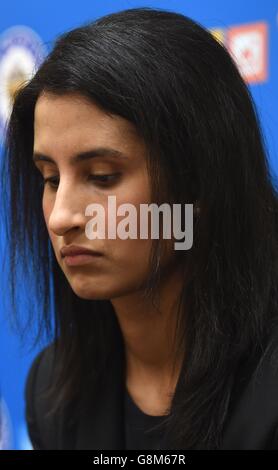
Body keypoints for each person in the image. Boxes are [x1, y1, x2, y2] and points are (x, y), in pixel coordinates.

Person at [2, 6, 278, 450]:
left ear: (201, 181)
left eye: (102, 177)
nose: (61, 217)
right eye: (50, 179)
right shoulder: (53, 391)